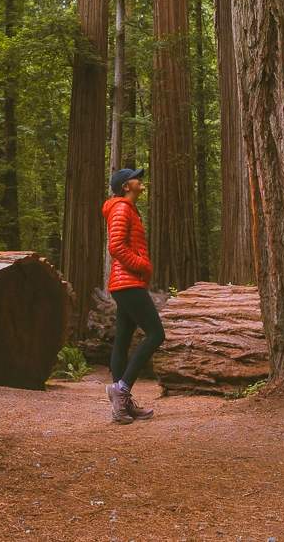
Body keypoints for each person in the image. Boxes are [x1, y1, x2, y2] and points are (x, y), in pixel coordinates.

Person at [102, 166, 165, 424]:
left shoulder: (128, 209)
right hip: (127, 282)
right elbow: (115, 246)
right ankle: (122, 390)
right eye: (136, 178)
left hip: (125, 282)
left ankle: (122, 406)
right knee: (156, 333)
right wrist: (142, 264)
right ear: (126, 186)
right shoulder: (121, 208)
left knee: (123, 340)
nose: (141, 180)